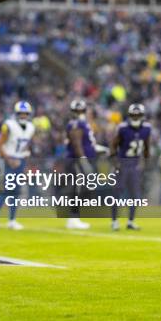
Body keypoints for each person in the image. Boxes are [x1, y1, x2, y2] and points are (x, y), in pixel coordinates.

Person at [0, 101, 35, 231]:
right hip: (5, 159)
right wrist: (9, 159)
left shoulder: (31, 127)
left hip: (20, 160)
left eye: (26, 114)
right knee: (4, 191)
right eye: (21, 113)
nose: (23, 116)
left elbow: (25, 143)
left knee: (16, 192)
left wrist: (25, 155)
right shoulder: (9, 125)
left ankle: (12, 220)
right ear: (16, 113)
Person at [110, 104, 151, 230]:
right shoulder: (122, 128)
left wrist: (145, 162)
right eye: (133, 115)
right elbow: (113, 145)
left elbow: (146, 146)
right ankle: (114, 221)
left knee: (135, 195)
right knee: (117, 193)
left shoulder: (146, 128)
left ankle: (131, 221)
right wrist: (115, 162)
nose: (136, 117)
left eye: (138, 115)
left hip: (135, 164)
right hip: (123, 163)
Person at [64, 99, 96, 230]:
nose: (79, 113)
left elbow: (86, 143)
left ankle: (74, 217)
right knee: (78, 189)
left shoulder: (83, 123)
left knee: (81, 189)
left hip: (81, 159)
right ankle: (73, 218)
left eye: (81, 110)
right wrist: (83, 159)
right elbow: (77, 143)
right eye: (77, 111)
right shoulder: (76, 124)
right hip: (77, 160)